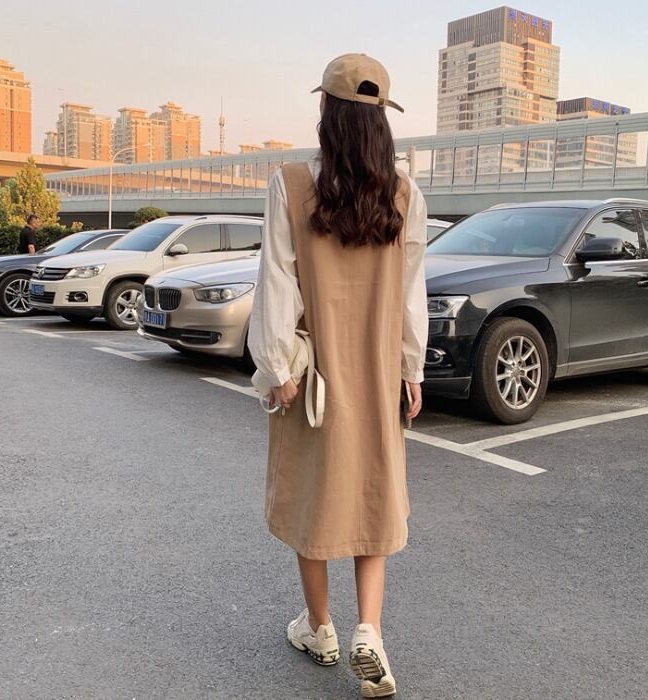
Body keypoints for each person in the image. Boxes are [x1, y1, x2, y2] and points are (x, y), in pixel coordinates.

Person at [248, 53, 427, 698]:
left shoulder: (292, 184)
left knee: (312, 494)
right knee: (373, 490)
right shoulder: (404, 195)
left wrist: (276, 366)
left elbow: (277, 280)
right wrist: (410, 369)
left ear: (326, 111)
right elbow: (411, 294)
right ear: (382, 121)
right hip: (376, 372)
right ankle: (369, 631)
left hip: (313, 377)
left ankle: (320, 626)